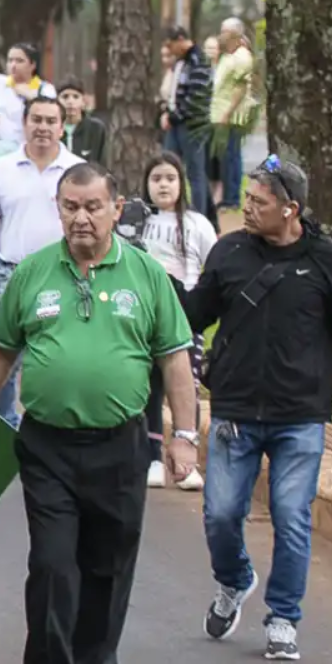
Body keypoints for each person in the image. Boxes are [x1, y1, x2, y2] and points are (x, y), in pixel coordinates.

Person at [0, 162, 199, 664]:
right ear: (58, 209)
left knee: (107, 567)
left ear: (117, 208)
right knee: (51, 564)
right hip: (47, 447)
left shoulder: (145, 275)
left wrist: (183, 437)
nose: (81, 217)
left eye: (93, 206)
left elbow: (175, 362)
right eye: (70, 206)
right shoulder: (35, 273)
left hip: (120, 446)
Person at [183, 156, 332, 663]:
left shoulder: (327, 260)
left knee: (292, 517)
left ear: (290, 209)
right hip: (235, 411)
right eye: (247, 198)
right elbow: (193, 313)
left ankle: (284, 617)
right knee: (222, 514)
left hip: (300, 415)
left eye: (259, 202)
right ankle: (234, 581)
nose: (248, 208)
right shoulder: (229, 253)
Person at [0, 96, 82, 423]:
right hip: (11, 273)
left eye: (51, 121)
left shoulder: (78, 171)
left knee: (59, 354)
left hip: (64, 274)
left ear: (62, 126)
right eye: (36, 119)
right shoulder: (1, 169)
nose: (43, 127)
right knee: (4, 357)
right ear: (24, 124)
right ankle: (3, 424)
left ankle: (52, 421)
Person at [123, 152, 217, 490]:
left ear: (182, 183)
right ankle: (152, 457)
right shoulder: (134, 223)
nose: (163, 184)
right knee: (148, 391)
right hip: (143, 320)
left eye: (170, 178)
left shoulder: (198, 224)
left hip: (185, 320)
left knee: (186, 387)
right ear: (146, 184)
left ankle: (187, 459)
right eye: (157, 179)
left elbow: (215, 269)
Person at [161, 25, 214, 219]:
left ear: (181, 39)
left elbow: (196, 97)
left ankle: (200, 216)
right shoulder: (180, 62)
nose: (170, 49)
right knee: (167, 164)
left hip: (192, 126)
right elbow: (174, 92)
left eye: (171, 44)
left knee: (195, 173)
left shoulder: (199, 61)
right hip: (176, 124)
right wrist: (167, 112)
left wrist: (174, 116)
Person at [208, 17, 259, 213]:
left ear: (235, 34)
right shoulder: (228, 56)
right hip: (220, 114)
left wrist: (227, 113)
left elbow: (239, 88)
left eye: (225, 31)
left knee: (231, 157)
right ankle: (227, 197)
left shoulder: (242, 56)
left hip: (232, 117)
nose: (221, 35)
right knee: (225, 157)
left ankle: (232, 199)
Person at [58, 81, 107, 164]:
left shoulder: (96, 128)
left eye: (76, 97)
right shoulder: (54, 128)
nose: (70, 101)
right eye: (65, 97)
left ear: (83, 101)